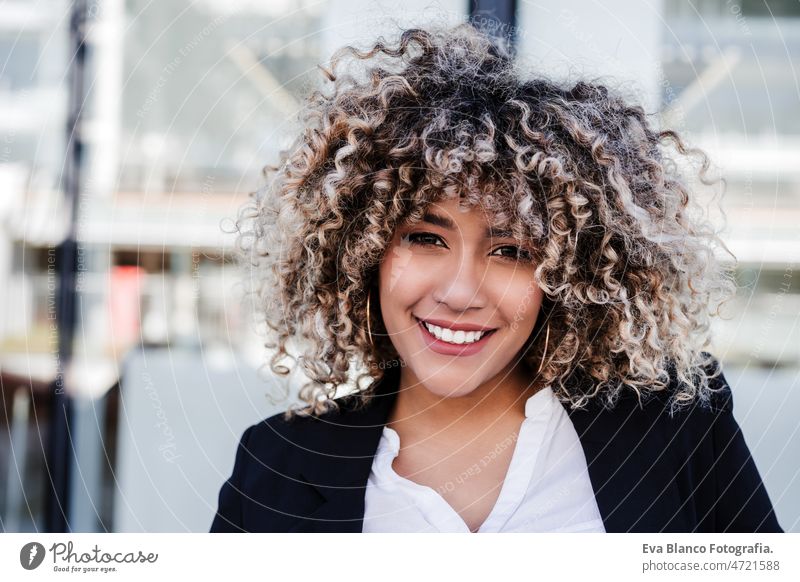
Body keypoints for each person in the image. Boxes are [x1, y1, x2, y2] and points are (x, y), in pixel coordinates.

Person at [210, 24, 782, 533]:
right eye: (425, 238)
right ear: (364, 251)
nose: (460, 292)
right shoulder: (275, 469)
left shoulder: (673, 430)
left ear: (569, 273)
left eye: (511, 251)